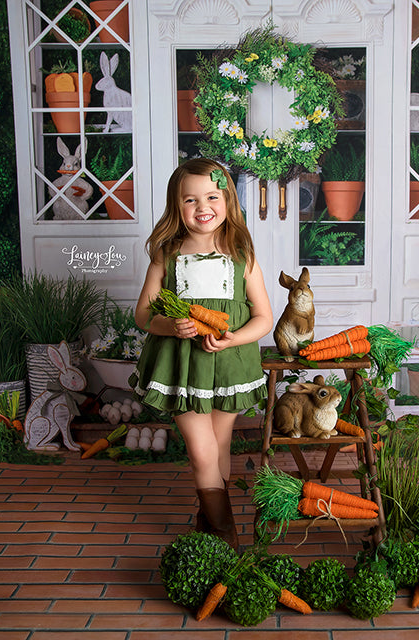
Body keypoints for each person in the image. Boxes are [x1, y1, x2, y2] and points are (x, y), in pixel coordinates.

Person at [130, 158, 272, 550]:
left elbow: (264, 318)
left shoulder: (243, 254)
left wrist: (234, 338)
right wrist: (169, 325)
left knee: (220, 447)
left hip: (228, 365)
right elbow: (143, 314)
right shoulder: (167, 254)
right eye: (190, 199)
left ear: (227, 201)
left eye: (211, 196)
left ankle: (208, 523)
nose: (202, 206)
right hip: (182, 367)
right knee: (200, 451)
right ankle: (227, 535)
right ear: (177, 206)